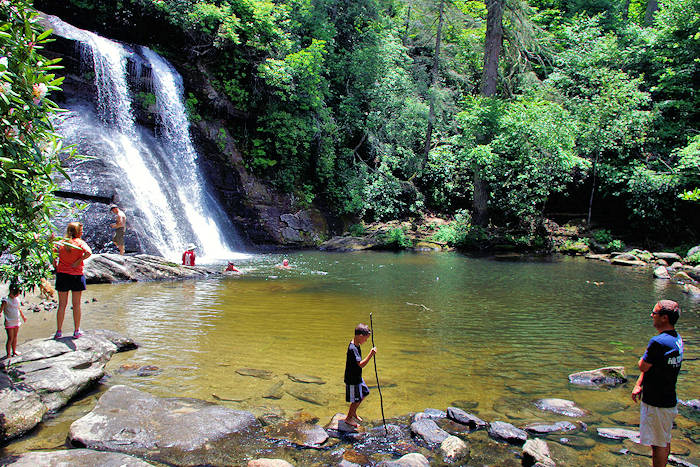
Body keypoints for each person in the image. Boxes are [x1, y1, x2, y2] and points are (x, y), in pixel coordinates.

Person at [632, 300, 684, 467]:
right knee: (664, 438)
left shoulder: (658, 342)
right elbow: (653, 367)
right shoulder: (676, 339)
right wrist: (639, 383)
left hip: (657, 401)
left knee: (657, 444)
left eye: (654, 313)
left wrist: (642, 363)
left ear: (664, 318)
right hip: (668, 399)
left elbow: (643, 365)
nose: (651, 316)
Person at [53, 222, 92, 339]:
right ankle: (76, 331)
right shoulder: (80, 243)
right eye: (81, 231)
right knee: (76, 305)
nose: (82, 233)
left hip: (62, 275)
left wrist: (55, 264)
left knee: (61, 305)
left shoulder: (61, 243)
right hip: (76, 275)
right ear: (77, 232)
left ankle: (59, 331)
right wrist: (78, 260)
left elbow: (53, 255)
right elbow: (89, 252)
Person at [344, 323, 377, 427]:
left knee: (365, 392)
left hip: (357, 376)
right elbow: (361, 364)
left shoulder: (356, 344)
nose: (366, 341)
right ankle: (348, 418)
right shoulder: (353, 348)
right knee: (356, 399)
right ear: (360, 336)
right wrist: (371, 354)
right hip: (352, 378)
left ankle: (353, 412)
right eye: (365, 339)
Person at [1, 283, 27, 359]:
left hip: (16, 320)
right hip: (9, 321)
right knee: (10, 338)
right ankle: (8, 353)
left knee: (15, 337)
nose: (17, 295)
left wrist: (23, 317)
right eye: (17, 293)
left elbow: (19, 309)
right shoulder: (6, 300)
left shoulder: (17, 299)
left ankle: (14, 351)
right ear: (12, 291)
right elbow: (1, 309)